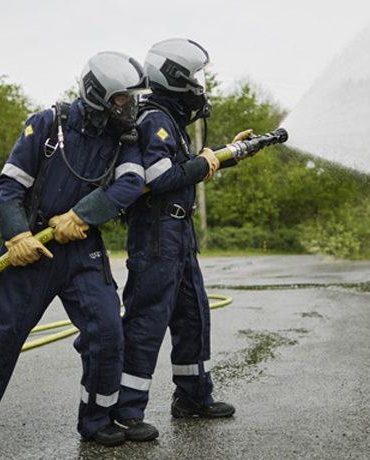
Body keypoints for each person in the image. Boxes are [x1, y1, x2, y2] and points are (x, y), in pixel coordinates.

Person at [0, 51, 151, 453]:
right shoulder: (47, 124)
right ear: (99, 94)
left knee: (107, 331)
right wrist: (16, 236)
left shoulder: (123, 140)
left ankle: (97, 421)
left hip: (83, 252)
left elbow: (131, 184)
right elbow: (10, 188)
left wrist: (83, 215)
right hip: (31, 251)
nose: (130, 107)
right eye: (123, 99)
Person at [113, 38, 257, 442]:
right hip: (158, 233)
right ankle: (126, 411)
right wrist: (208, 160)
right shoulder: (154, 119)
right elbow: (160, 178)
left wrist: (226, 153)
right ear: (175, 78)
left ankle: (193, 397)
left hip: (179, 234)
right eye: (193, 75)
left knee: (193, 314)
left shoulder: (170, 120)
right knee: (147, 320)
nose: (198, 84)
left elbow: (183, 169)